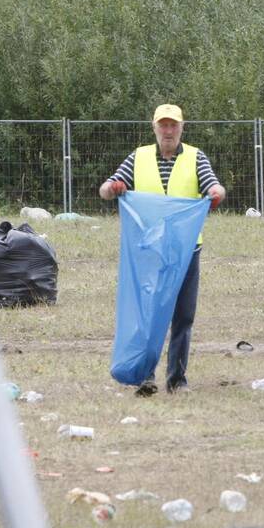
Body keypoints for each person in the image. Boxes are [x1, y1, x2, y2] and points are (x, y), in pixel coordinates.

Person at [99, 104, 226, 395]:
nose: (168, 131)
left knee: (183, 316)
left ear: (182, 128)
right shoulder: (138, 157)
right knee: (148, 315)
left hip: (185, 253)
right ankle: (145, 376)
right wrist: (114, 187)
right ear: (154, 127)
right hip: (149, 253)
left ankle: (177, 380)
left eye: (173, 126)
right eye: (163, 125)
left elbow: (214, 187)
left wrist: (216, 193)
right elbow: (105, 190)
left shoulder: (196, 157)